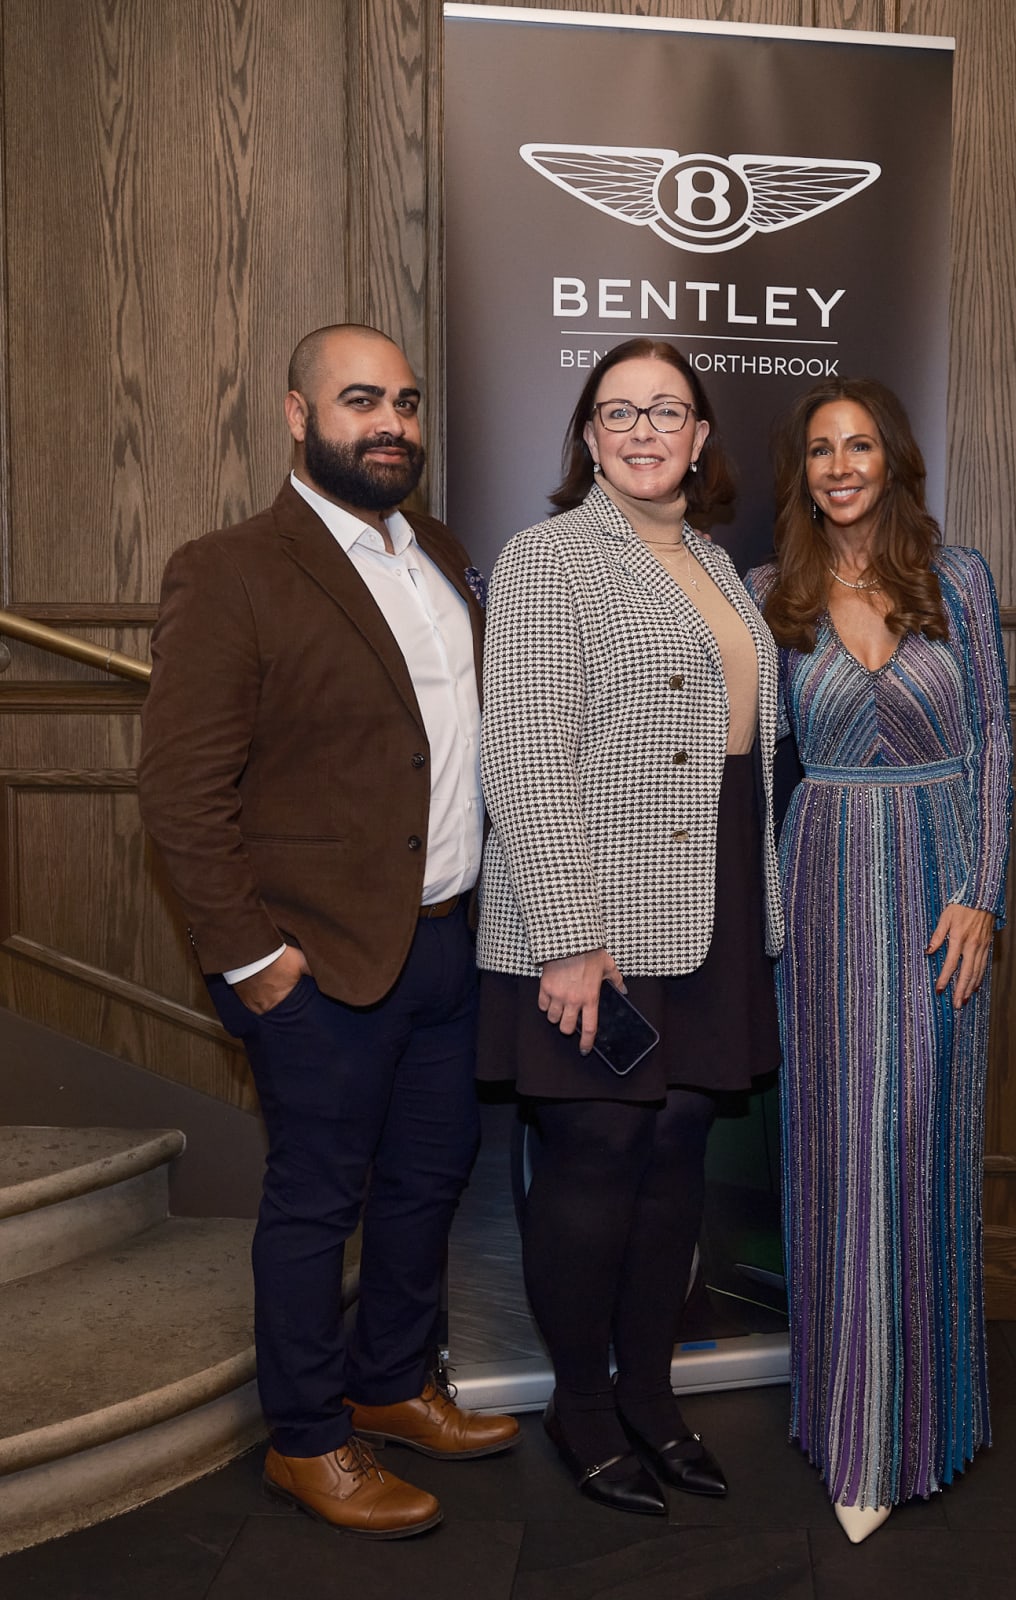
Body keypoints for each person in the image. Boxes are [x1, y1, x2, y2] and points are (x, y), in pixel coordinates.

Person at [138, 324, 518, 1540]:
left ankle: (392, 1382)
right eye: (361, 400)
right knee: (316, 1201)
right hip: (318, 962)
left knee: (426, 1178)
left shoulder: (447, 555)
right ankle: (307, 1438)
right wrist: (256, 961)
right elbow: (182, 793)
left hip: (448, 942)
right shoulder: (232, 568)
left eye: (404, 400)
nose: (390, 421)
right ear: (299, 416)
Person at [476, 338, 783, 1516]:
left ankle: (651, 1397)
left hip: (710, 905)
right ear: (589, 437)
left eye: (668, 411)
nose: (644, 430)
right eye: (618, 412)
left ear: (701, 439)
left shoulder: (714, 561)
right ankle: (582, 1406)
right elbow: (525, 754)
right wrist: (565, 932)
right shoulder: (549, 559)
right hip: (594, 910)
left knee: (673, 1160)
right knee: (597, 1159)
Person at [747, 377, 1013, 1544]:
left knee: (916, 1138)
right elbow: (742, 766)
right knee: (836, 1144)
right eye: (820, 449)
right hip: (823, 883)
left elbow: (994, 734)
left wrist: (984, 894)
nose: (841, 465)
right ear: (800, 472)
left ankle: (925, 1416)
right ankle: (852, 1429)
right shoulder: (772, 593)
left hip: (938, 883)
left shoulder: (959, 580)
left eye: (859, 445)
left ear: (893, 459)